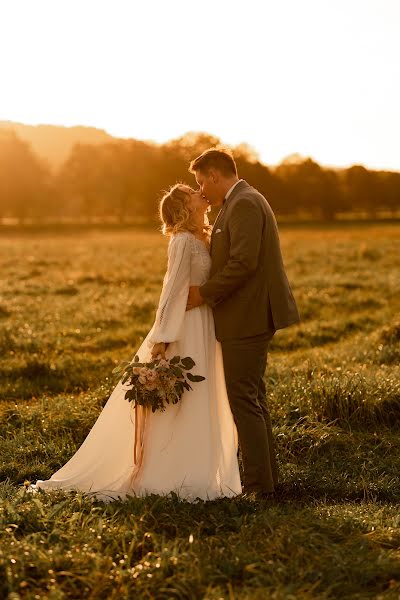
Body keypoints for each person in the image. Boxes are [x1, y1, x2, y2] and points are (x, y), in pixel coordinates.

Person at [33, 184, 241, 502]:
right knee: (184, 399)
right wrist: (163, 338)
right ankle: (172, 474)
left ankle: (203, 470)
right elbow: (171, 291)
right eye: (192, 192)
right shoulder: (182, 241)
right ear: (185, 206)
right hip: (186, 327)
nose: (201, 192)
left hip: (207, 323)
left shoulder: (205, 236)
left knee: (207, 395)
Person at [187, 148, 300, 498]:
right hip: (248, 314)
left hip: (249, 316)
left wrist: (203, 294)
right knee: (253, 397)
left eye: (202, 180)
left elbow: (243, 263)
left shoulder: (245, 204)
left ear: (216, 175)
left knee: (243, 400)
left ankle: (257, 487)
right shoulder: (237, 203)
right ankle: (268, 480)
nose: (201, 189)